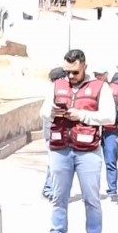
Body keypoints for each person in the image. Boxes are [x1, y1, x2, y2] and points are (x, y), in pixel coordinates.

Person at [41, 49, 115, 233]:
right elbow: (43, 111)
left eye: (74, 72)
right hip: (60, 149)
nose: (70, 77)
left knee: (92, 200)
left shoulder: (101, 88)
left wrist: (81, 115)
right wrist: (53, 112)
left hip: (88, 151)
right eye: (67, 72)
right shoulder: (57, 85)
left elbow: (109, 116)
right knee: (58, 198)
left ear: (84, 66)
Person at [92, 64, 118, 202]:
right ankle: (91, 193)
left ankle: (112, 192)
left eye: (100, 74)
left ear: (107, 74)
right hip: (93, 131)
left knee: (111, 162)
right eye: (96, 74)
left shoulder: (116, 90)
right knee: (91, 163)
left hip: (110, 131)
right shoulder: (90, 89)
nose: (98, 77)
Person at [42, 67, 67, 201]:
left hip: (53, 133)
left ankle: (49, 189)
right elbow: (46, 114)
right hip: (52, 133)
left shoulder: (54, 90)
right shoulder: (55, 92)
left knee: (54, 163)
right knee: (55, 164)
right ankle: (50, 190)